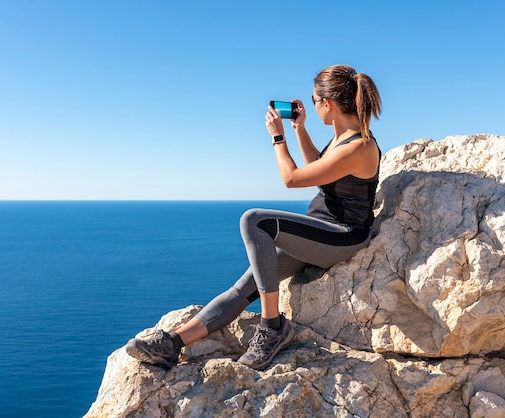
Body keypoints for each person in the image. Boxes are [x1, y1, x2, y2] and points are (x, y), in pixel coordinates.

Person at [126, 64, 383, 371]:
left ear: (327, 103)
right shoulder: (343, 140)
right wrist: (299, 128)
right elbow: (320, 167)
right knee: (243, 288)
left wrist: (278, 139)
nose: (314, 108)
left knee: (255, 221)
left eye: (315, 102)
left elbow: (292, 178)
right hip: (319, 234)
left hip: (342, 235)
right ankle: (172, 344)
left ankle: (272, 326)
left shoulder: (361, 145)